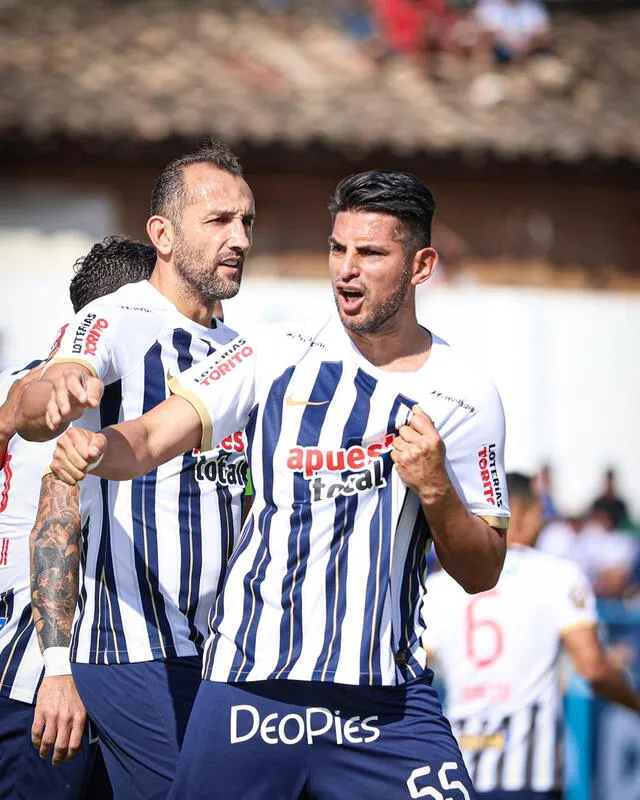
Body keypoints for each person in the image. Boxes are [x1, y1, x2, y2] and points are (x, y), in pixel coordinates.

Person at [26, 169, 510, 798]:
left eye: (370, 254)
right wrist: (97, 449)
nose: (347, 270)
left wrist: (438, 490)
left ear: (420, 265)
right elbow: (148, 438)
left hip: (383, 704)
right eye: (338, 249)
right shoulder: (273, 352)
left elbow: (483, 570)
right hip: (251, 691)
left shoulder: (467, 395)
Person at [18, 141, 254, 799]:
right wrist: (57, 668)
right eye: (218, 221)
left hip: (220, 654)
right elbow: (54, 400)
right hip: (132, 651)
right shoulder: (118, 318)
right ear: (163, 234)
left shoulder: (241, 350)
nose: (238, 239)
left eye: (246, 222)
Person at [0, 236, 155, 800]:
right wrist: (57, 672)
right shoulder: (79, 402)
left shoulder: (28, 383)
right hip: (42, 676)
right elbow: (53, 533)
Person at [423, 472, 640, 800]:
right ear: (523, 513)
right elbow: (593, 668)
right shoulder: (557, 575)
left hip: (457, 767)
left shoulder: (441, 585)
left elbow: (416, 666)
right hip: (528, 772)